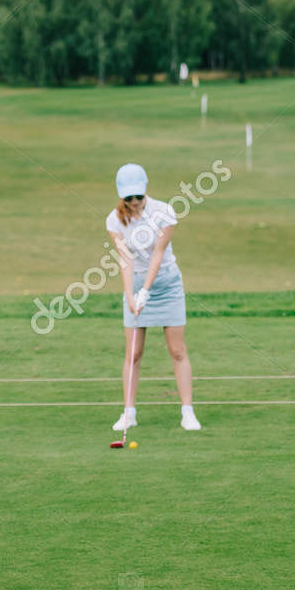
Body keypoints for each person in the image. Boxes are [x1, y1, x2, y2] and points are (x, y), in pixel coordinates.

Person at [106, 163, 201, 433]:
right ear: (121, 195)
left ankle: (187, 412)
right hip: (135, 285)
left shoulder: (164, 212)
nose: (134, 202)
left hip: (167, 285)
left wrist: (146, 289)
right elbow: (125, 260)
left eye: (138, 196)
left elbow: (158, 253)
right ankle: (129, 413)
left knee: (177, 350)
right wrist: (131, 296)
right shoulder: (114, 220)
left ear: (145, 190)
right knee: (133, 353)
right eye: (128, 198)